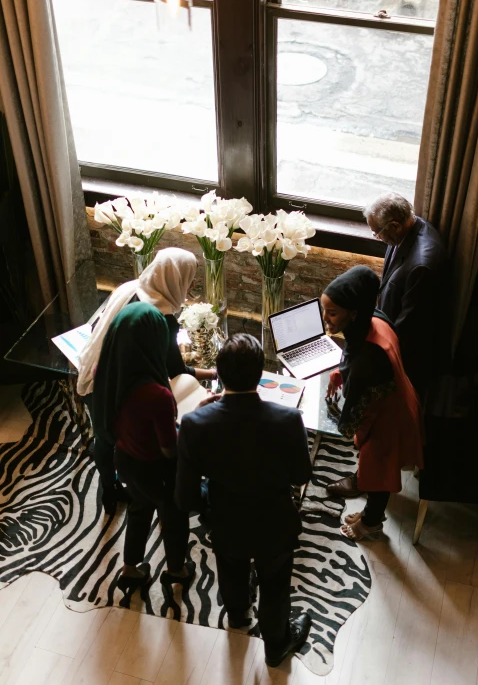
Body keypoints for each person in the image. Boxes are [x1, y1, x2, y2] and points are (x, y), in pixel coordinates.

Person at [175, 334, 312, 668]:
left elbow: (185, 496)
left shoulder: (194, 423)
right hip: (274, 522)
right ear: (260, 375)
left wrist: (207, 505)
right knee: (275, 583)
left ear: (218, 374)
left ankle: (237, 615)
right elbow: (300, 475)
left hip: (225, 519)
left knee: (231, 568)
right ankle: (276, 644)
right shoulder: (289, 420)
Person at [77, 247, 216, 513]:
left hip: (95, 371)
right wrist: (211, 373)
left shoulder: (129, 287)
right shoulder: (160, 317)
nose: (191, 285)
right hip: (120, 390)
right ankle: (125, 488)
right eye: (190, 278)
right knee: (117, 439)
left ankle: (109, 490)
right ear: (177, 278)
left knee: (103, 438)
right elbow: (175, 369)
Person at [92, 301, 193, 593]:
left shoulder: (108, 370)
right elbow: (168, 450)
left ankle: (131, 568)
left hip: (124, 459)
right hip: (155, 468)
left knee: (139, 509)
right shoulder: (158, 395)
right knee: (173, 518)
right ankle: (177, 569)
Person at [322, 266, 424, 536]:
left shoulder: (369, 354)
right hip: (395, 400)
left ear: (353, 312)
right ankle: (369, 511)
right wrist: (340, 374)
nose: (325, 319)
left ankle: (370, 524)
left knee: (380, 472)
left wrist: (349, 429)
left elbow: (360, 403)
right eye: (324, 310)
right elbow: (356, 364)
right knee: (374, 467)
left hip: (389, 417)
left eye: (332, 313)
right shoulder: (374, 319)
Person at [363, 193, 448, 401]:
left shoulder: (421, 266)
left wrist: (376, 356)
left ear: (395, 225)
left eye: (378, 233)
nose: (378, 238)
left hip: (408, 360)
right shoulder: (410, 228)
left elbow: (409, 328)